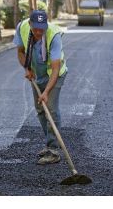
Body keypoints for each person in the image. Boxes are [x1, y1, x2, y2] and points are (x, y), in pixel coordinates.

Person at [13, 10, 68, 165]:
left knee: (50, 108)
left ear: (46, 25)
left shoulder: (54, 35)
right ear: (30, 24)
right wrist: (27, 69)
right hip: (38, 75)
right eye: (35, 28)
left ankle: (53, 150)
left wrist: (46, 92)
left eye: (41, 28)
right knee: (40, 110)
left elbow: (56, 69)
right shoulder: (22, 27)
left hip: (54, 76)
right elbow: (20, 51)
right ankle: (50, 142)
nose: (38, 31)